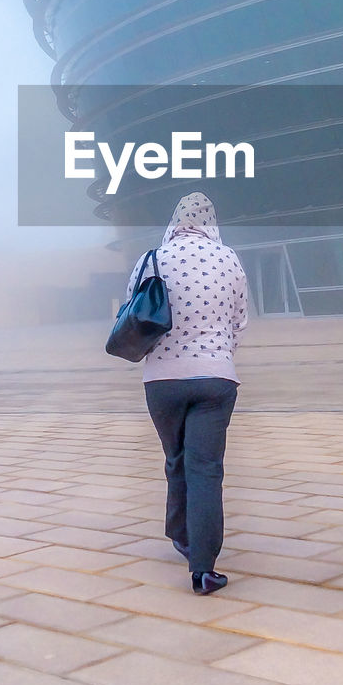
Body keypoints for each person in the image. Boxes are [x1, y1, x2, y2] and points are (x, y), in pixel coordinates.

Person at [127, 192, 248, 594]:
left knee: (176, 457)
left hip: (161, 380)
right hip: (215, 378)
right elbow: (240, 320)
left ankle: (180, 534)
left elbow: (133, 312)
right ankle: (203, 567)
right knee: (206, 468)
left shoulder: (151, 260)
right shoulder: (228, 258)